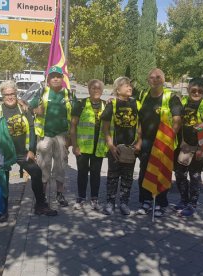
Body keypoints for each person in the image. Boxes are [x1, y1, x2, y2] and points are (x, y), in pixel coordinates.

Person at [0, 81, 57, 216]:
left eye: (12, 94)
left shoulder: (23, 108)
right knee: (3, 180)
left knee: (36, 172)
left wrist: (32, 150)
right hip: (5, 152)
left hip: (22, 152)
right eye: (6, 94)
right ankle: (2, 210)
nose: (10, 97)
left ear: (16, 93)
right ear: (2, 95)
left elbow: (32, 128)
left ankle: (40, 205)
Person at [137, 68, 182, 217]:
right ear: (148, 80)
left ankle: (161, 203)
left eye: (158, 77)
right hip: (146, 142)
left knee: (162, 171)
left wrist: (169, 139)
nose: (155, 79)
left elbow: (177, 121)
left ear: (163, 79)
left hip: (164, 143)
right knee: (145, 171)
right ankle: (146, 201)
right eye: (151, 77)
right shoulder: (143, 96)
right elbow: (138, 120)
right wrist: (139, 140)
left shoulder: (171, 97)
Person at [32, 66, 76, 207]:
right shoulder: (41, 93)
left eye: (58, 76)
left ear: (62, 79)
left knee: (61, 166)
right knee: (43, 166)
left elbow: (78, 112)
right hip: (45, 137)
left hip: (62, 136)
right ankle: (42, 196)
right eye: (52, 76)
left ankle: (60, 194)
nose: (56, 78)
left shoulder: (69, 94)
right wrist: (35, 110)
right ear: (48, 80)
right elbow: (25, 105)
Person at [101, 76, 141, 215]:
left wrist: (139, 143)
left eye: (130, 85)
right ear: (118, 89)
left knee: (127, 178)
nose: (130, 87)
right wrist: (110, 145)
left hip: (131, 148)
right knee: (112, 176)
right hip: (115, 148)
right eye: (126, 86)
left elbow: (141, 125)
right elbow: (105, 127)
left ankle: (124, 203)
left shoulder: (137, 104)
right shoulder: (112, 104)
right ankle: (110, 203)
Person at [174, 77, 203, 217]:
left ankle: (192, 204)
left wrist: (202, 149)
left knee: (195, 176)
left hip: (198, 148)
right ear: (188, 89)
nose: (196, 93)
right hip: (182, 147)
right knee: (180, 174)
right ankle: (183, 200)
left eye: (200, 91)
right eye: (194, 90)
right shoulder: (182, 102)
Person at [70, 79, 107, 211]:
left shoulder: (106, 105)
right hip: (83, 146)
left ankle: (94, 199)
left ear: (102, 91)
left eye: (98, 88)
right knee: (82, 173)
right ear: (89, 90)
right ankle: (80, 198)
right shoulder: (80, 104)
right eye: (93, 88)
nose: (96, 90)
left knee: (96, 173)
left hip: (99, 146)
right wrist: (74, 146)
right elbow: (73, 126)